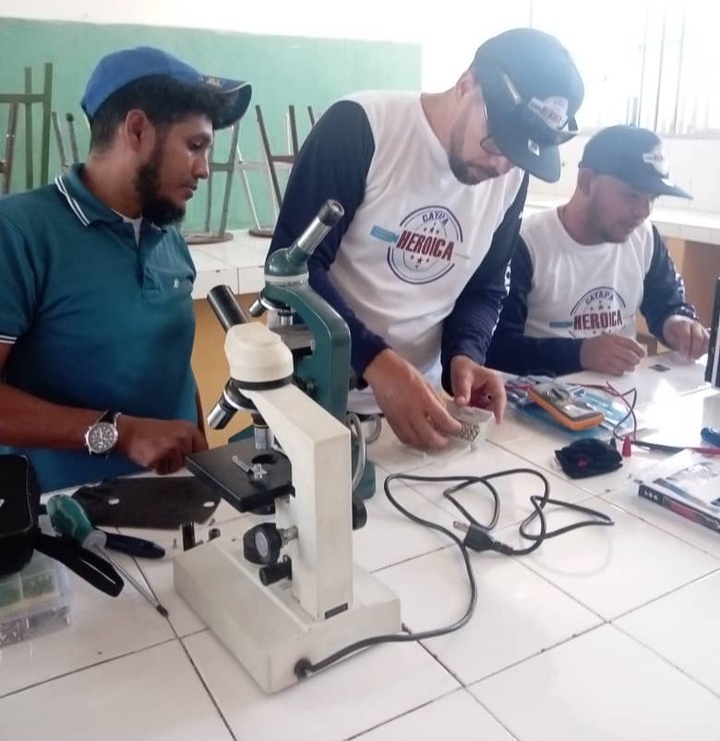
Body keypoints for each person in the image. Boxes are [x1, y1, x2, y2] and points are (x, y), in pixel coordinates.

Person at [270, 28, 584, 449]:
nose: (501, 164)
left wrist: (466, 353)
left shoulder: (508, 179)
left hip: (422, 407)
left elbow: (485, 287)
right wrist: (378, 364)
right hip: (315, 401)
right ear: (466, 85)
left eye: (519, 156)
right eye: (497, 141)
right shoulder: (362, 128)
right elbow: (292, 272)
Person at [0, 46, 252, 492]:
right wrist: (120, 433)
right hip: (61, 516)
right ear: (137, 129)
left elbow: (174, 364)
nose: (204, 169)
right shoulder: (19, 232)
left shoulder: (166, 231)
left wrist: (204, 463)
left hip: (175, 500)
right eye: (194, 145)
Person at [485, 125, 709, 378]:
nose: (643, 211)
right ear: (586, 182)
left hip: (624, 398)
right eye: (632, 195)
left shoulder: (644, 236)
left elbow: (666, 301)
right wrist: (580, 353)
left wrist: (677, 321)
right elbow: (496, 350)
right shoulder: (524, 243)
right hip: (539, 401)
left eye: (652, 198)